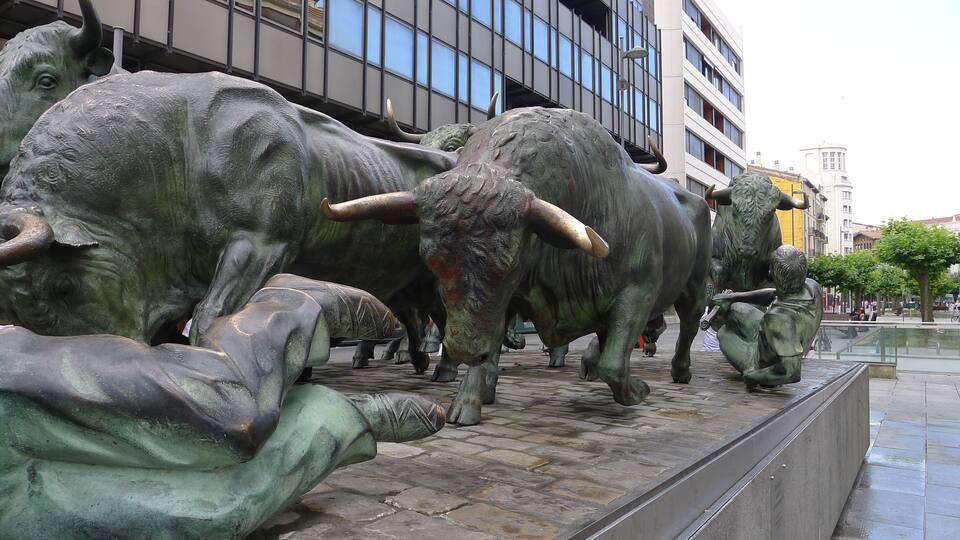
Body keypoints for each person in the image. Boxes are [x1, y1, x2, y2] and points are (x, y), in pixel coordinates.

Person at [710, 246, 824, 389]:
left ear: (772, 275)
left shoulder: (778, 319)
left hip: (767, 361)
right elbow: (773, 294)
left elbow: (792, 372)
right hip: (780, 338)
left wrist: (752, 376)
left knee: (724, 333)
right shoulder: (811, 286)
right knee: (735, 308)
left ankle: (762, 372)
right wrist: (732, 297)